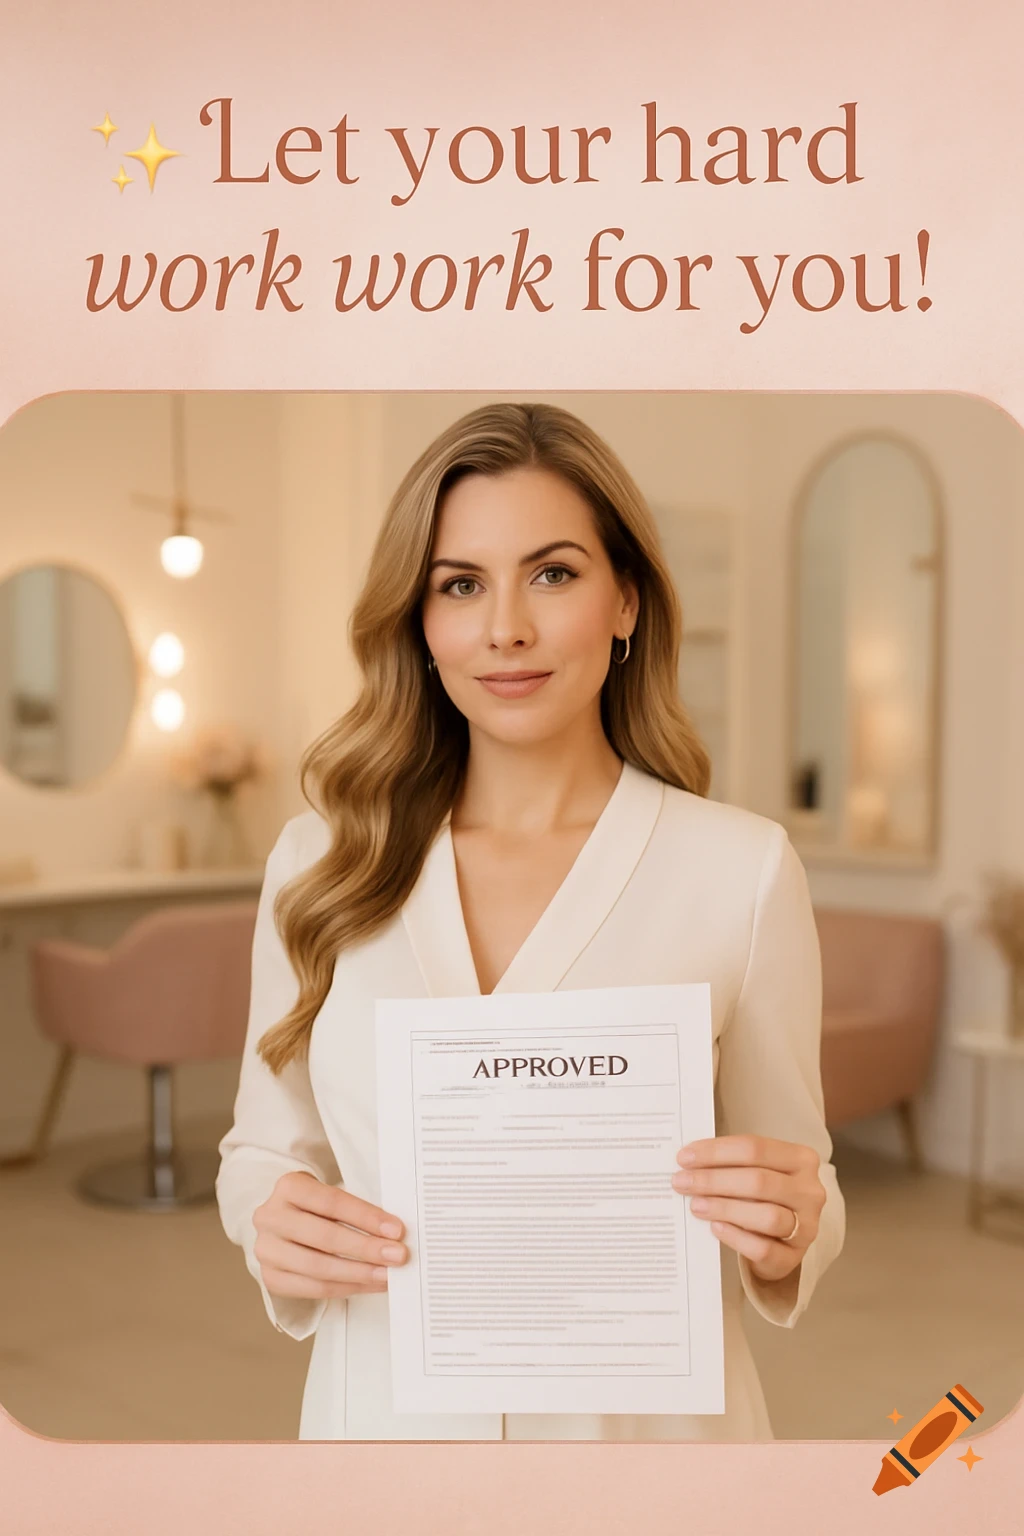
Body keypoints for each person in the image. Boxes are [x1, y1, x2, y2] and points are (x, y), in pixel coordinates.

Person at [216, 400, 845, 1442]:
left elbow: (801, 1174)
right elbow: (260, 1149)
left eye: (551, 574)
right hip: (381, 1445)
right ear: (420, 622)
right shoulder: (318, 863)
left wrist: (791, 1227)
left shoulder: (740, 871)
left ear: (626, 600)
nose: (504, 627)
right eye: (460, 585)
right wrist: (268, 1217)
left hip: (648, 1457)